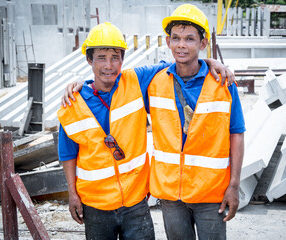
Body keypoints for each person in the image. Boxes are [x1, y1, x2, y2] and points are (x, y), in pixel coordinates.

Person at [58, 21, 234, 240]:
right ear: (89, 60)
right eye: (101, 58)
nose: (109, 66)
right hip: (96, 204)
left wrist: (210, 61)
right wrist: (72, 195)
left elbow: (180, 63)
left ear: (123, 60)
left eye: (115, 58)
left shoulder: (135, 81)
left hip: (136, 202)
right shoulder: (73, 102)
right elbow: (67, 154)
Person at [147, 4, 245, 240]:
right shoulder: (154, 81)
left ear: (203, 44)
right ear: (168, 42)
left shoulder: (222, 83)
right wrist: (81, 83)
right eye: (176, 38)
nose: (181, 45)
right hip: (171, 195)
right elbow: (111, 81)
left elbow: (237, 134)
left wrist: (233, 185)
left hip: (210, 194)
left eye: (190, 39)